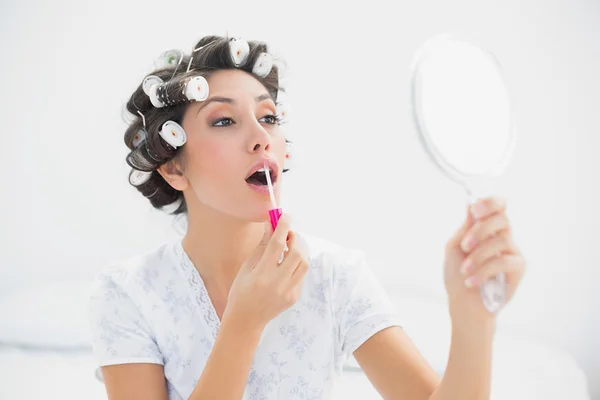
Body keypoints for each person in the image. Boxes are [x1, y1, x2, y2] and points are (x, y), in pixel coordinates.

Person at [88, 34, 526, 400]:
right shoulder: (128, 293)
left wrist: (474, 322)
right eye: (224, 120)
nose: (262, 137)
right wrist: (244, 323)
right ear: (173, 167)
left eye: (268, 116)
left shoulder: (335, 275)